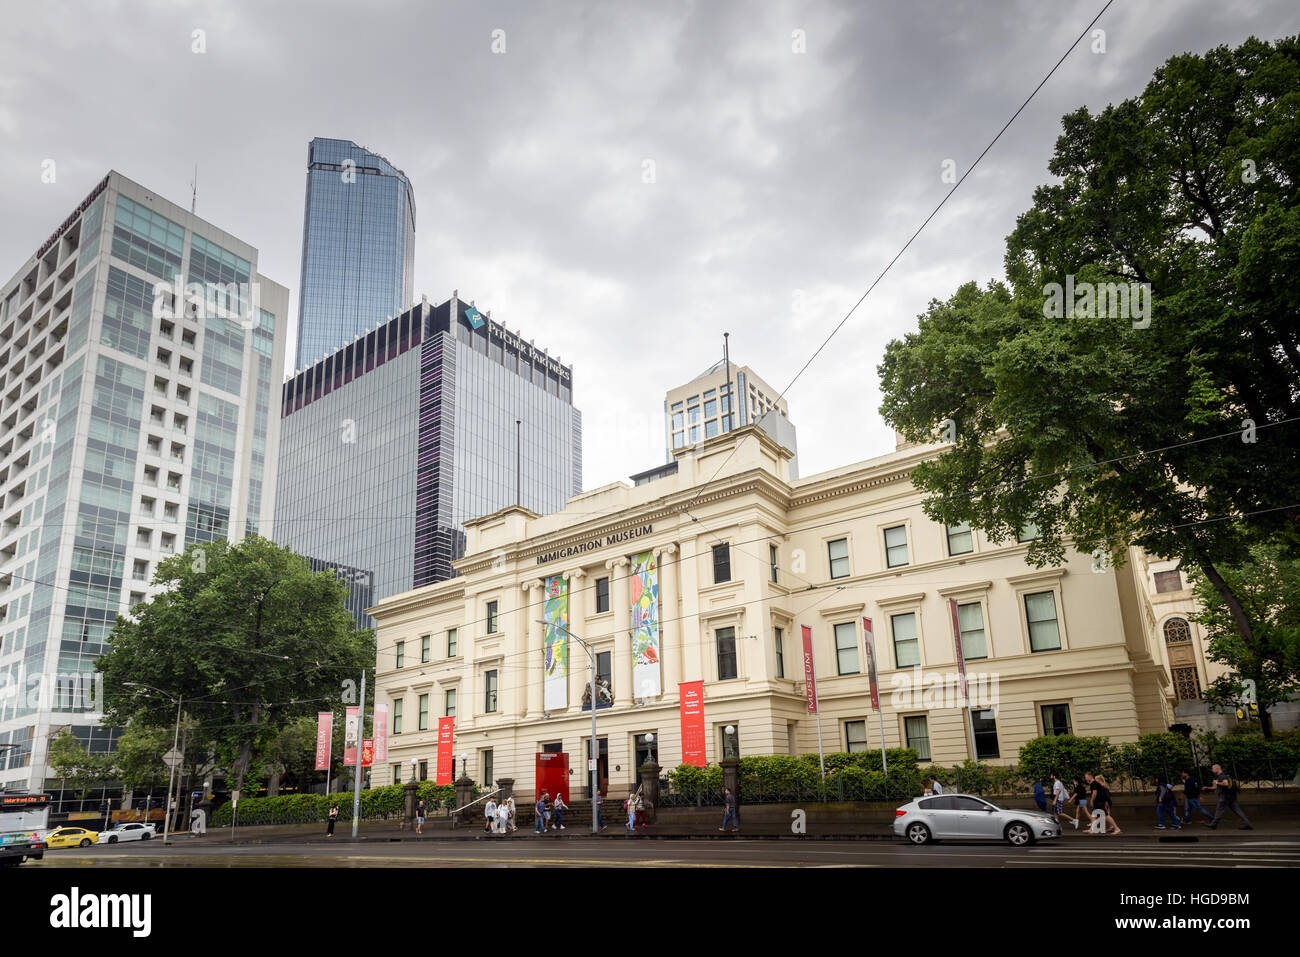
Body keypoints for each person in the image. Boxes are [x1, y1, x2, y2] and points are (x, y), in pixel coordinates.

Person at [1205, 764, 1253, 830]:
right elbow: (1215, 787)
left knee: (1219, 810)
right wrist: (1207, 788)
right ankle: (1247, 824)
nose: (1212, 770)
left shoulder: (1222, 776)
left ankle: (1213, 824)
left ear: (1217, 769)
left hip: (1224, 797)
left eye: (1213, 768)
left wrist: (1217, 783)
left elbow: (1226, 783)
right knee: (1238, 811)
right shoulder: (1222, 776)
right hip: (1231, 797)